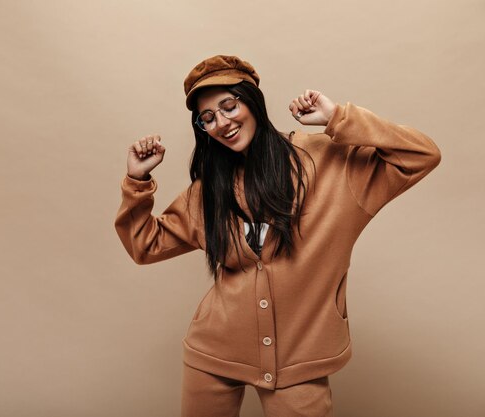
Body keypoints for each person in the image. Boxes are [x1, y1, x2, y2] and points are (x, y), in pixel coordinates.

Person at [115, 55, 441, 417]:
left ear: (252, 102)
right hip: (213, 354)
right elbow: (145, 245)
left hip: (301, 359)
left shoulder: (327, 161)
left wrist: (338, 119)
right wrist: (138, 182)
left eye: (228, 106)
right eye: (208, 118)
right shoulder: (209, 191)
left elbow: (421, 154)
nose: (222, 123)